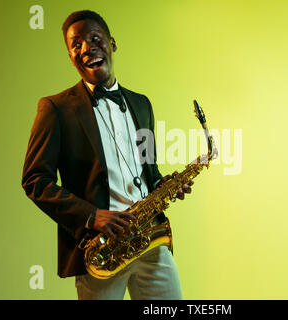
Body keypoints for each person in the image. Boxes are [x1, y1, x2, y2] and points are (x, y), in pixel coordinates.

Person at [22, 10, 192, 300]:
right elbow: (35, 180)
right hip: (101, 250)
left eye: (94, 38)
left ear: (112, 44)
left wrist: (167, 185)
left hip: (150, 240)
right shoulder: (55, 108)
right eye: (76, 45)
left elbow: (149, 172)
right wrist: (92, 217)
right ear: (71, 56)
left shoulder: (142, 104)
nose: (86, 48)